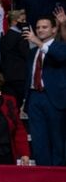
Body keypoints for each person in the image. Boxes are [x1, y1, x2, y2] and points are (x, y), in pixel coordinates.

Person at [23, 15, 66, 166]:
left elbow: (61, 56)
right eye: (38, 27)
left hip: (53, 98)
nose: (40, 30)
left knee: (57, 139)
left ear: (54, 29)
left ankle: (58, 175)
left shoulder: (60, 46)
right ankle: (43, 173)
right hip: (34, 97)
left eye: (44, 27)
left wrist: (39, 44)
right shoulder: (33, 51)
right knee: (38, 139)